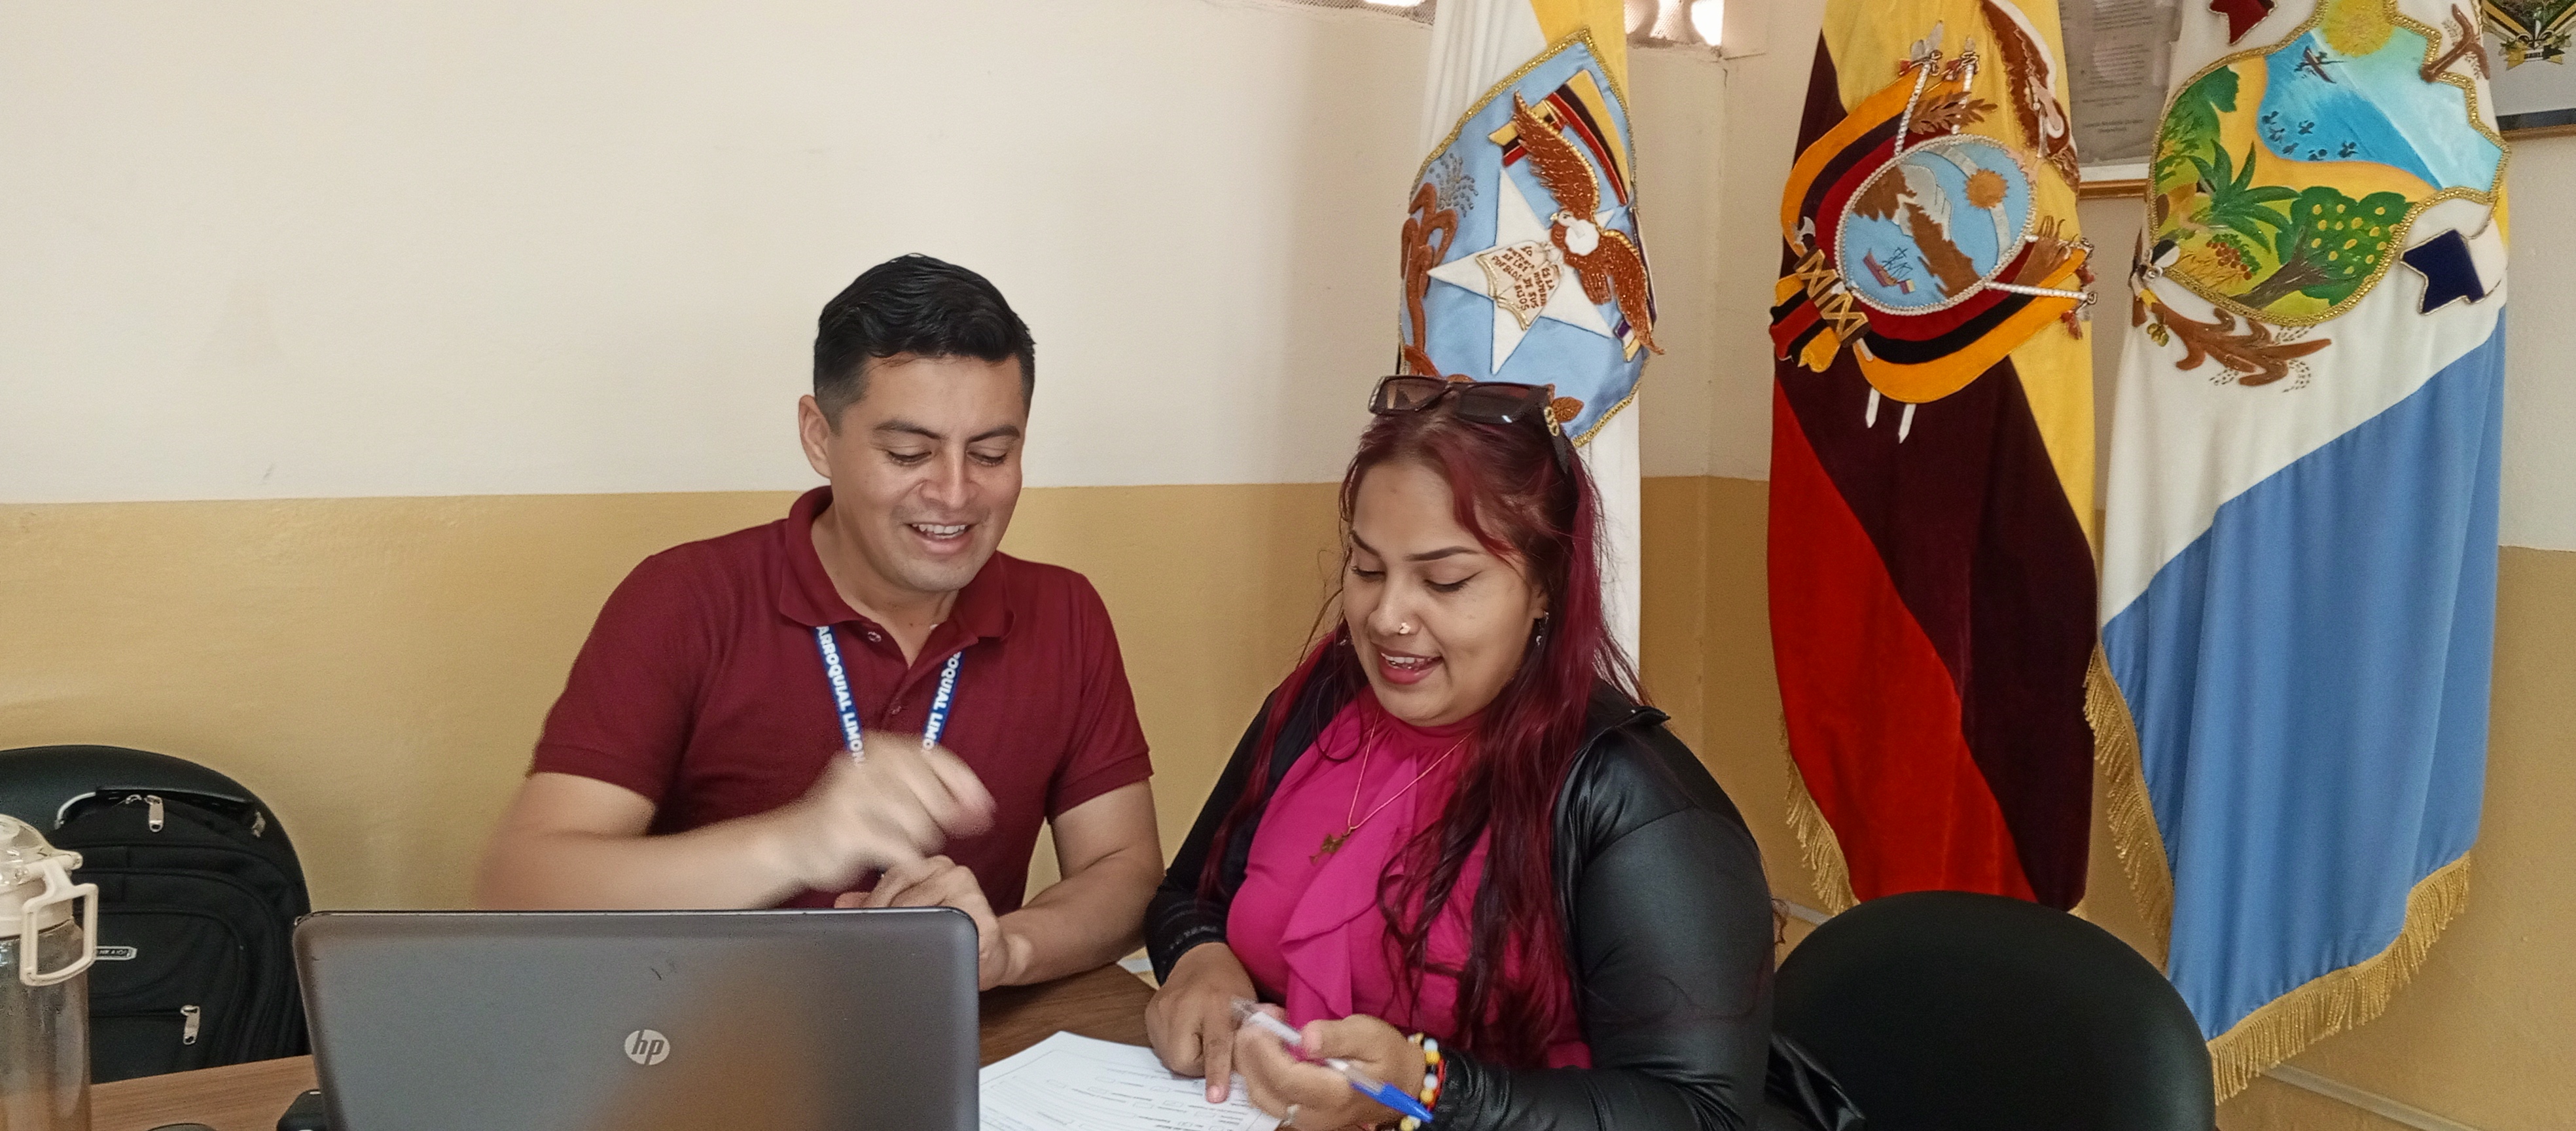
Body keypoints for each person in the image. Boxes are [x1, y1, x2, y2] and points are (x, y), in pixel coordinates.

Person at [475, 255, 1162, 992]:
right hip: (704, 1033)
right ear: (817, 436)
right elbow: (519, 889)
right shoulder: (686, 599)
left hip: (953, 1035)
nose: (955, 493)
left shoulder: (1065, 612)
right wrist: (795, 843)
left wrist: (1005, 951)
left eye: (992, 454)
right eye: (908, 453)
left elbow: (1124, 870)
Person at [1143, 376, 1776, 1130]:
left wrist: (1423, 1088)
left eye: (1445, 581)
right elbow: (1189, 894)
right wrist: (1200, 958)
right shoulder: (1322, 701)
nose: (1386, 617)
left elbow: (1702, 1114)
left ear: (1545, 587)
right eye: (1367, 568)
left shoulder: (1633, 801)